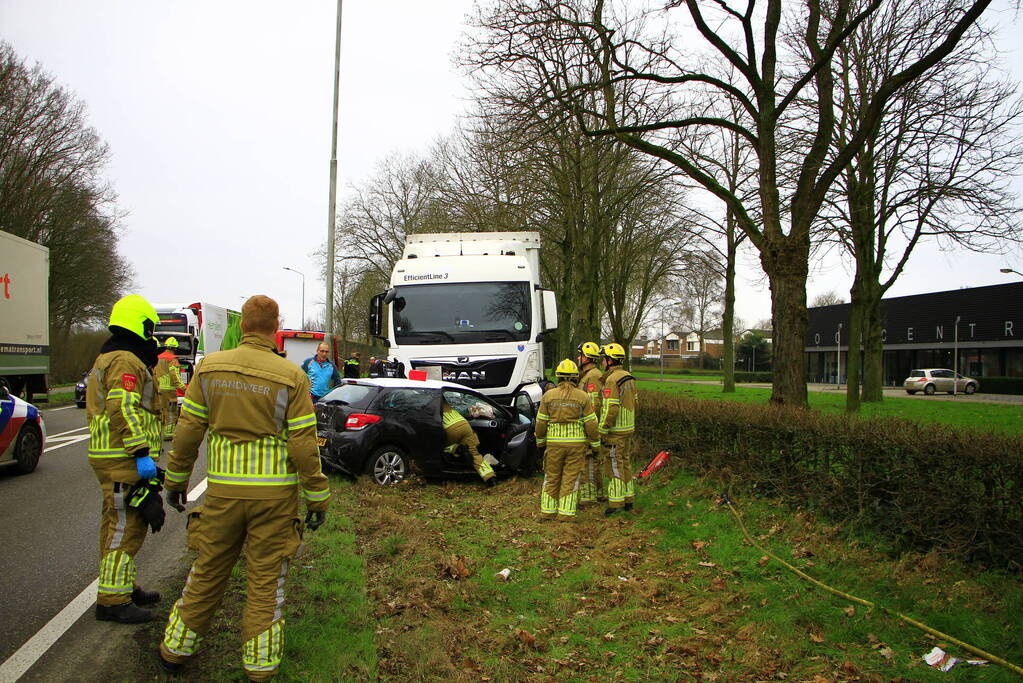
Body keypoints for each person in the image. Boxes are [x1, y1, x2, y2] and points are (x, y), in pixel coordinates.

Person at [159, 295, 331, 681]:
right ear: (275, 327)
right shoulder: (292, 376)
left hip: (222, 495)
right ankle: (260, 667)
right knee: (267, 581)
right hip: (274, 499)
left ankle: (175, 651)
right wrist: (317, 496)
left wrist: (176, 480)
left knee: (207, 571)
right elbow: (303, 444)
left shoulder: (209, 368)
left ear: (244, 326)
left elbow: (188, 431)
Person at [86, 294, 164, 624]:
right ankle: (113, 602)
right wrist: (141, 453)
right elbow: (123, 407)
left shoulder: (113, 356)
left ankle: (123, 586)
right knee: (127, 527)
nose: (152, 335)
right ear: (140, 324)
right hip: (123, 457)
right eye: (150, 328)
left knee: (116, 524)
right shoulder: (125, 361)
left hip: (114, 454)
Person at [535, 359, 600, 520]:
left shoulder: (548, 396)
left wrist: (541, 442)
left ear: (558, 376)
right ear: (575, 377)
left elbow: (541, 422)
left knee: (551, 477)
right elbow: (591, 424)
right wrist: (595, 445)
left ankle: (548, 511)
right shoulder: (583, 396)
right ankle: (566, 514)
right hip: (576, 446)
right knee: (571, 478)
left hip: (554, 444)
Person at [598, 343, 638, 515]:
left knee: (614, 466)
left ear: (610, 360)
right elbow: (635, 402)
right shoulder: (629, 377)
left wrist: (602, 429)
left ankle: (616, 504)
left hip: (615, 432)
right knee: (626, 463)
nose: (602, 362)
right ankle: (629, 500)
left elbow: (611, 408)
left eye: (604, 359)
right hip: (628, 429)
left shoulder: (611, 379)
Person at [576, 341, 604, 505]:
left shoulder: (593, 376)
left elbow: (594, 405)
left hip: (589, 425)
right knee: (591, 460)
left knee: (588, 461)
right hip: (587, 423)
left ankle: (589, 498)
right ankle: (598, 493)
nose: (578, 358)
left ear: (586, 358)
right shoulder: (587, 375)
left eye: (580, 355)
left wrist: (589, 427)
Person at [442, 400, 496, 485]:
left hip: (449, 427)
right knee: (474, 454)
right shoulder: (444, 401)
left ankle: (457, 448)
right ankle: (490, 477)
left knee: (441, 448)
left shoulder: (430, 404)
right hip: (464, 424)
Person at [153, 337, 186, 441]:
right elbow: (175, 375)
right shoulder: (172, 359)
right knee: (171, 412)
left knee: (161, 411)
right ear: (175, 348)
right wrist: (184, 389)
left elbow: (154, 373)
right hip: (169, 391)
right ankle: (169, 433)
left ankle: (157, 433)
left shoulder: (158, 358)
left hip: (159, 389)